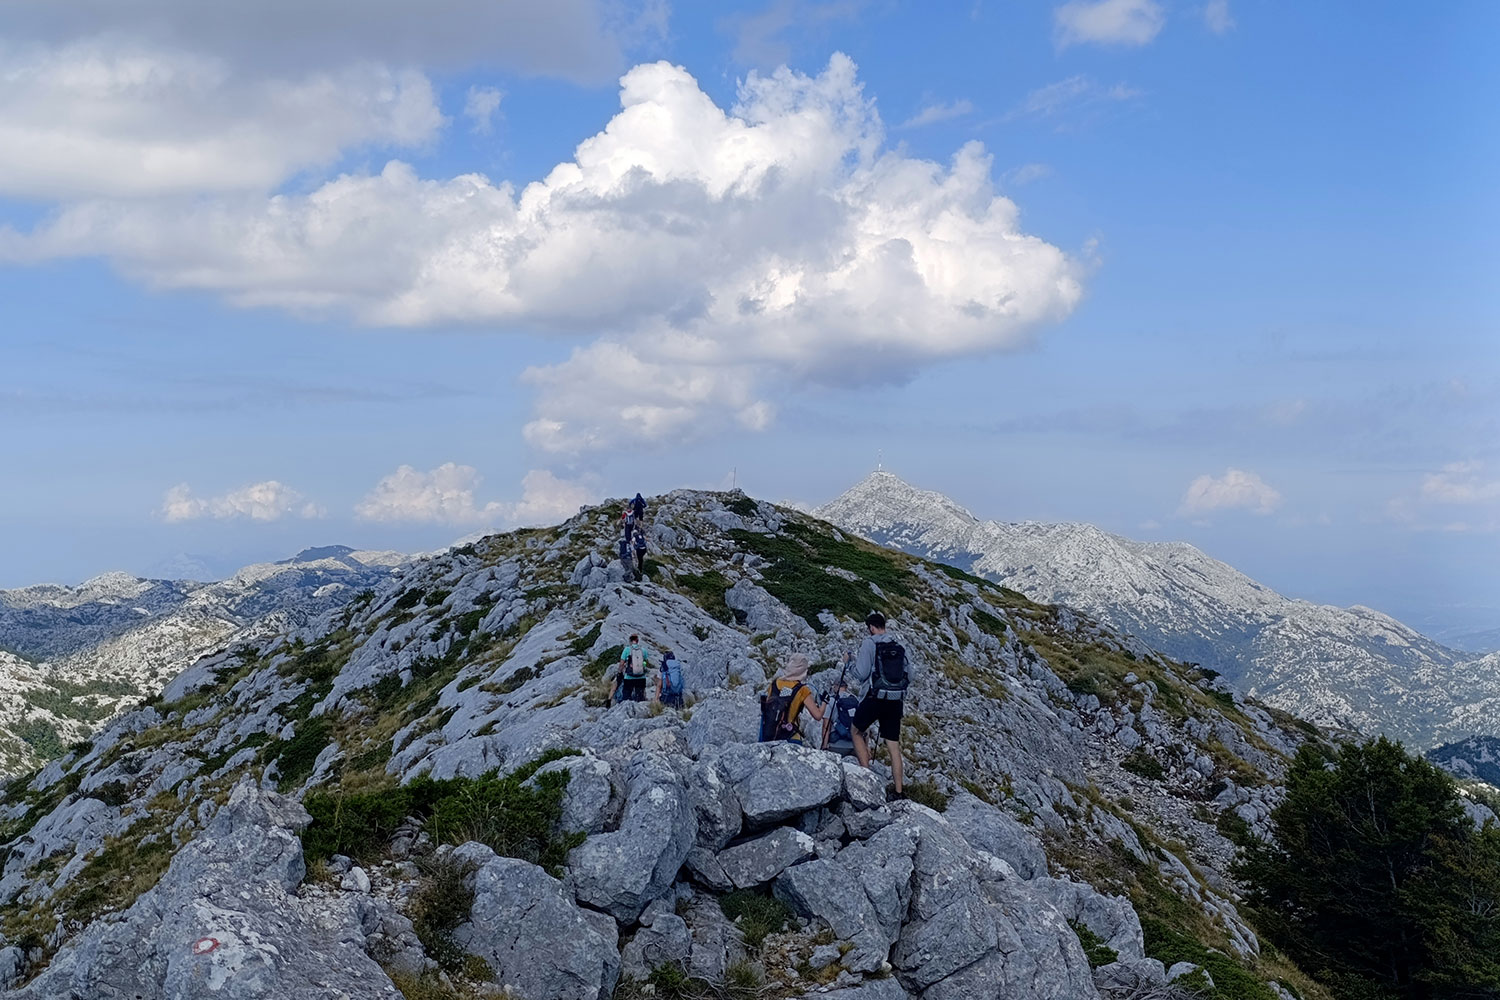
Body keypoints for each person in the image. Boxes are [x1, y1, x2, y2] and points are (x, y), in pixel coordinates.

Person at [846, 612, 909, 797]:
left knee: (856, 731)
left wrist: (848, 664)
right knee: (893, 745)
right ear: (884, 626)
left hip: (874, 697)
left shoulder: (869, 643)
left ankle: (867, 780)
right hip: (895, 700)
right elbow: (910, 675)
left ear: (871, 628)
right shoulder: (899, 644)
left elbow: (861, 673)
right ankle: (898, 792)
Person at [758, 653, 824, 744]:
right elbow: (818, 716)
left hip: (769, 734)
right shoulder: (802, 690)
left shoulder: (775, 683)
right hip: (790, 736)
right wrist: (825, 702)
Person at [822, 680, 861, 757]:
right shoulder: (855, 700)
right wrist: (865, 747)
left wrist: (824, 746)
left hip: (836, 745)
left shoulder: (831, 701)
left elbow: (826, 726)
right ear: (846, 687)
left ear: (836, 686)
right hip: (855, 745)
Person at [617, 634, 650, 702]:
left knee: (626, 697)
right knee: (640, 698)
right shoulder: (643, 650)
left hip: (629, 677)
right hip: (641, 677)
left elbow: (622, 663)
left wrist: (619, 672)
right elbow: (645, 662)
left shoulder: (627, 649)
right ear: (637, 641)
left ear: (630, 641)